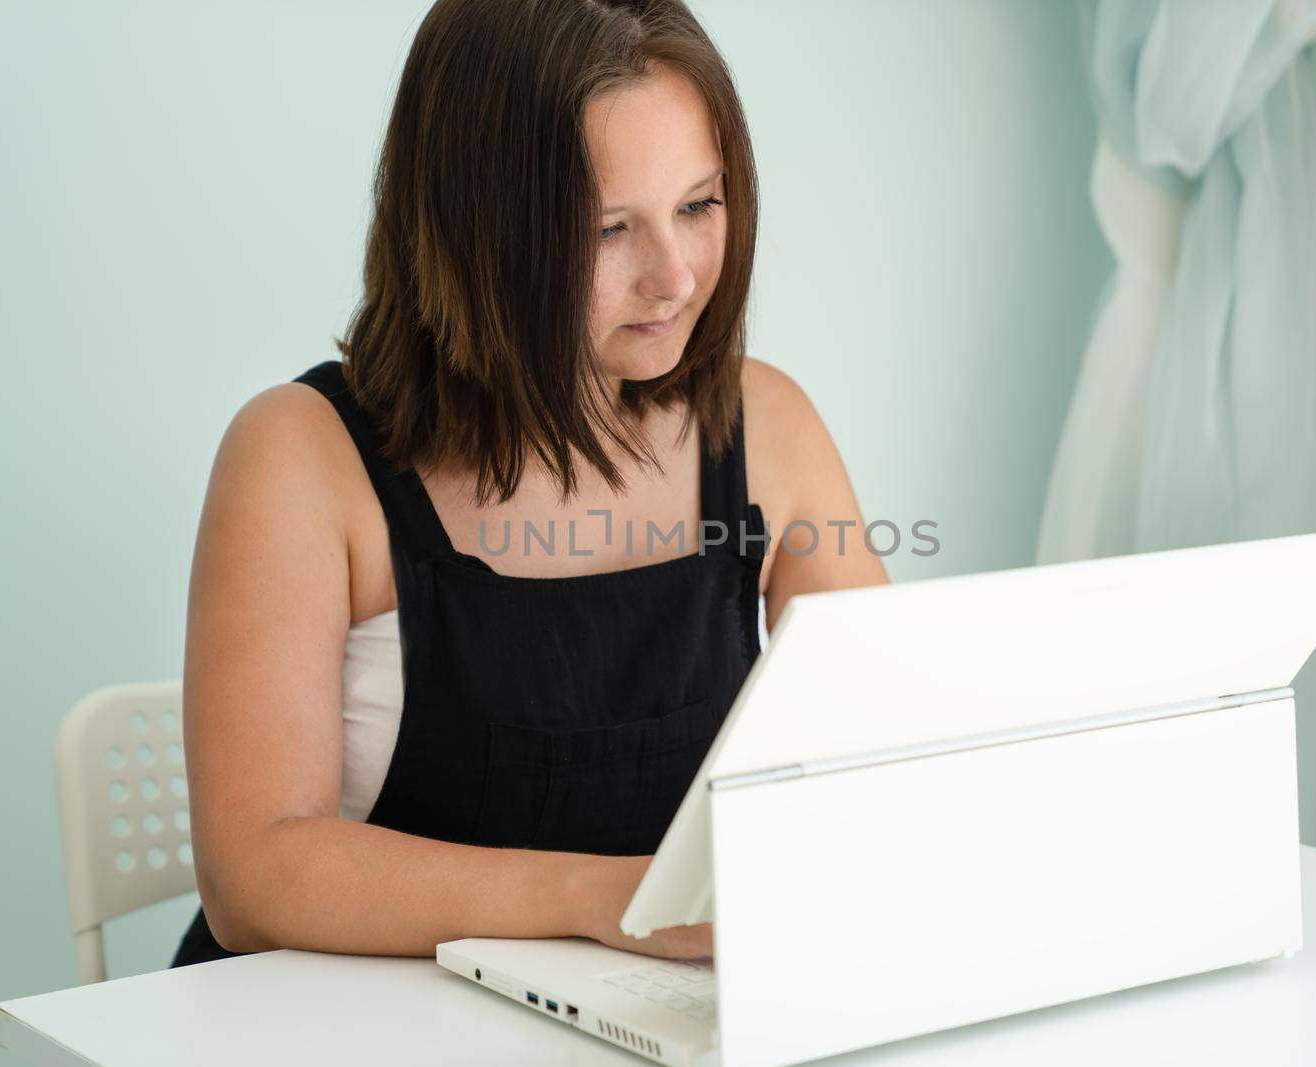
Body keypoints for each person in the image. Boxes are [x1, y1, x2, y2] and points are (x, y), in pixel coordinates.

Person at [171, 0, 887, 968]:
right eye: (606, 230)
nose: (673, 276)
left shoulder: (768, 425)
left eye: (698, 205)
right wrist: (609, 898)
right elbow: (252, 875)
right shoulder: (298, 455)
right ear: (472, 229)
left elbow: (886, 756)